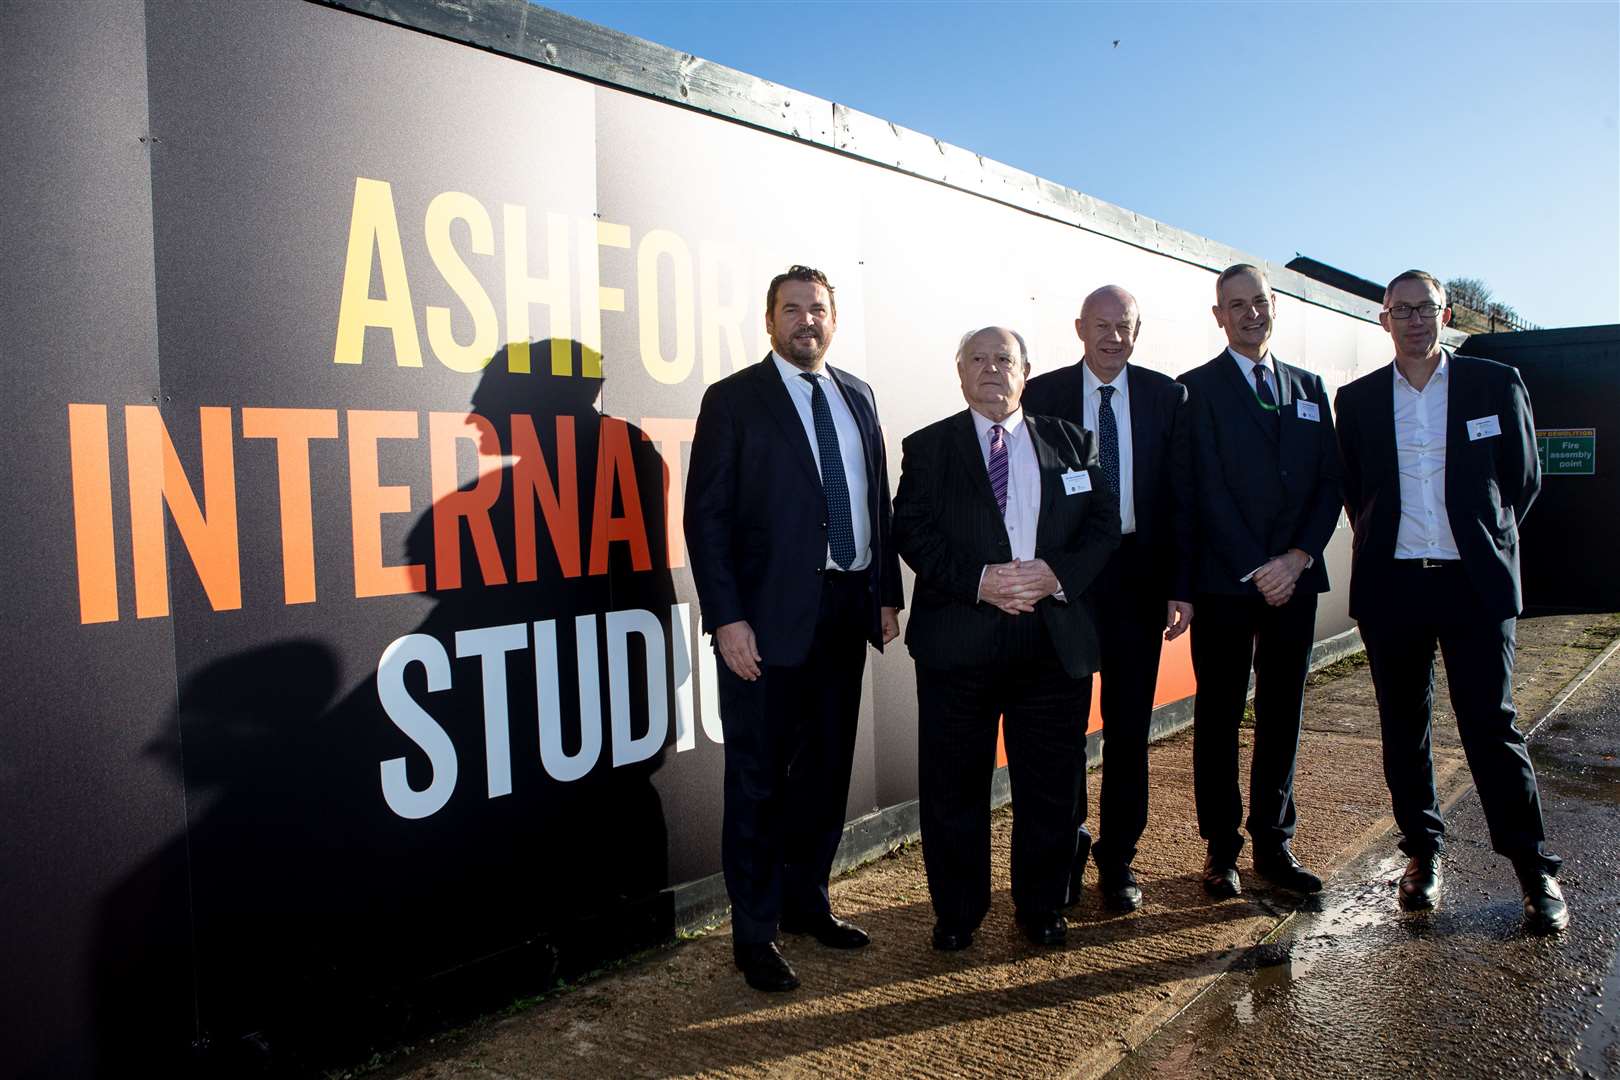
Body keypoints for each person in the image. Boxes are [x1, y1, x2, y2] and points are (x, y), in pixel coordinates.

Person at [685, 266, 904, 991]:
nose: (806, 320)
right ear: (770, 320)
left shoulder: (858, 396)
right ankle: (754, 935)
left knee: (826, 776)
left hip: (846, 613)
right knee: (757, 782)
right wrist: (728, 620)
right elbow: (706, 519)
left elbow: (877, 499)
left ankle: (808, 902)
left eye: (818, 309)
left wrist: (884, 593)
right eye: (792, 310)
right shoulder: (734, 400)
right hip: (765, 624)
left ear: (833, 321)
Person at [1334, 269, 1565, 932]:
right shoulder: (1360, 399)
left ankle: (1532, 869)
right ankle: (1423, 856)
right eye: (1400, 310)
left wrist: (1482, 536)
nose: (1413, 320)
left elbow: (1521, 480)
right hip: (1394, 584)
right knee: (1404, 729)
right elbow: (1357, 491)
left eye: (1425, 309)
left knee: (1491, 725)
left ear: (1447, 314)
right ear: (1384, 319)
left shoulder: (1494, 383)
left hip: (1474, 583)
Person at [893, 326, 1119, 950]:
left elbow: (1102, 526)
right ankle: (958, 913)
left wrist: (1056, 575)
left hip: (1051, 647)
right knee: (954, 787)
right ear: (960, 372)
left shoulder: (1073, 443)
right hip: (959, 646)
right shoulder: (929, 447)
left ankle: (1041, 907)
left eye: (1004, 359)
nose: (991, 368)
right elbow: (911, 530)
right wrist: (979, 580)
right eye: (978, 359)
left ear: (1026, 372)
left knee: (1050, 787)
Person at [1023, 285, 1193, 912]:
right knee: (1061, 724)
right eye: (1101, 325)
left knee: (1128, 727)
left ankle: (1118, 859)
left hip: (1139, 581)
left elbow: (1181, 499)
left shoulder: (1165, 396)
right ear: (1078, 328)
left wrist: (1180, 585)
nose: (1113, 338)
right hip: (1070, 578)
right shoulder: (1041, 396)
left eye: (1124, 326)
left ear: (1137, 331)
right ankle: (1064, 852)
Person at [1177, 263, 1341, 898]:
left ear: (1275, 307)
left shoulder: (1308, 387)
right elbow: (1203, 493)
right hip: (1226, 584)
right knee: (1218, 715)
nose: (1251, 314)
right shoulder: (1196, 390)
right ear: (1218, 316)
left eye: (1260, 302)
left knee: (1284, 712)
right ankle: (1221, 850)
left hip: (1294, 580)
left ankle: (1274, 844)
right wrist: (1257, 567)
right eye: (1236, 305)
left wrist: (1296, 557)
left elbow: (1330, 481)